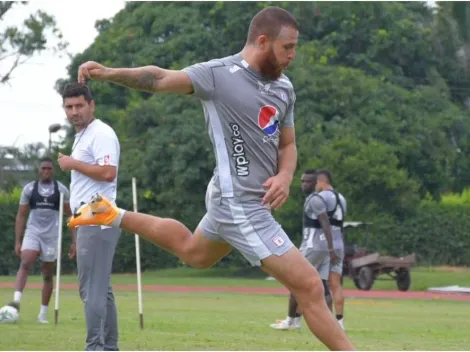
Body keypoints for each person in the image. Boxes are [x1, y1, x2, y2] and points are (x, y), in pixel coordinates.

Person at [70, 6, 355, 351]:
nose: (293, 55)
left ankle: (112, 214)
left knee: (195, 254)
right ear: (263, 41)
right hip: (241, 203)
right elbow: (158, 78)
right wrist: (109, 73)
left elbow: (289, 144)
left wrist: (285, 174)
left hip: (233, 197)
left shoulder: (284, 89)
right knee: (309, 284)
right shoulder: (219, 74)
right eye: (288, 48)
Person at [57, 83, 121, 351]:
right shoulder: (83, 135)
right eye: (69, 107)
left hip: (98, 210)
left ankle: (95, 347)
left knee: (91, 290)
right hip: (89, 213)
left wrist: (71, 164)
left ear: (91, 105)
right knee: (101, 289)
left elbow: (108, 173)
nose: (74, 112)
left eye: (79, 105)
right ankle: (109, 347)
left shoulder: (102, 133)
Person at [5, 157, 74, 324]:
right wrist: (18, 241)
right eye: (43, 168)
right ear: (39, 170)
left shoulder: (61, 190)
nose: (46, 171)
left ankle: (42, 314)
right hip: (33, 232)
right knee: (26, 261)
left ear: (53, 170)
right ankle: (15, 303)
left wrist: (74, 241)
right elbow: (21, 215)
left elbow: (70, 215)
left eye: (49, 169)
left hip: (51, 236)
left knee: (47, 274)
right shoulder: (30, 189)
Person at [269, 168, 340, 331]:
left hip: (312, 246)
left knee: (295, 281)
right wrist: (330, 248)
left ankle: (291, 321)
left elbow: (325, 223)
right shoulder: (315, 199)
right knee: (323, 285)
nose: (303, 184)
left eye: (307, 181)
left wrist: (331, 247)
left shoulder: (314, 200)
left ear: (315, 184)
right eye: (302, 181)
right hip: (322, 248)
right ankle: (332, 325)